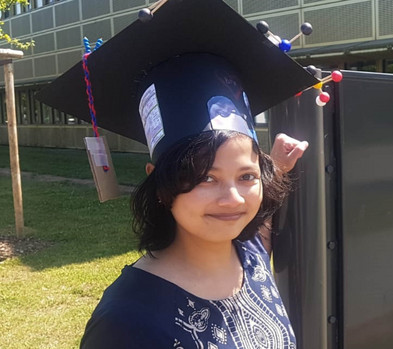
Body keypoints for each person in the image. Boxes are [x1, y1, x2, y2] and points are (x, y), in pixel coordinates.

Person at [36, 0, 320, 347]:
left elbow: (259, 225)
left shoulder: (250, 255)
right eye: (205, 178)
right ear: (159, 182)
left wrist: (275, 166)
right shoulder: (126, 321)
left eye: (246, 176)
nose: (233, 199)